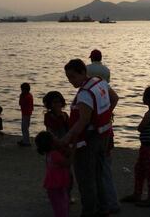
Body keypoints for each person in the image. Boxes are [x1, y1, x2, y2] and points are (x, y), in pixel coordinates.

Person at [61, 59, 119, 217]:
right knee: (99, 175)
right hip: (104, 135)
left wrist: (67, 137)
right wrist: (105, 115)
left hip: (89, 140)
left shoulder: (85, 94)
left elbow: (83, 121)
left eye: (72, 77)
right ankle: (103, 208)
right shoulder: (99, 82)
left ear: (82, 73)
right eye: (68, 77)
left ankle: (89, 212)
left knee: (86, 179)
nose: (70, 81)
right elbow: (114, 98)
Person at [121, 86, 150, 207]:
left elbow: (140, 128)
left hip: (149, 146)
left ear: (148, 99)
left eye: (144, 96)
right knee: (140, 169)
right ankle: (138, 194)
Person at [35, 131, 71, 217]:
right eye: (53, 136)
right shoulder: (55, 154)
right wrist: (75, 148)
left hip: (53, 185)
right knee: (62, 206)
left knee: (59, 207)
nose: (56, 137)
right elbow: (67, 163)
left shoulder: (50, 153)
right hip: (57, 185)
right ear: (51, 143)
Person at [18, 83, 33, 147]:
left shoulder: (26, 97)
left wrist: (21, 97)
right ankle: (25, 139)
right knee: (25, 127)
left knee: (24, 128)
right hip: (27, 113)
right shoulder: (29, 95)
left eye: (22, 89)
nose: (21, 90)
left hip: (26, 113)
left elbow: (21, 103)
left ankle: (26, 142)